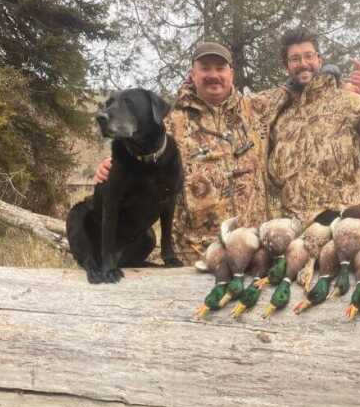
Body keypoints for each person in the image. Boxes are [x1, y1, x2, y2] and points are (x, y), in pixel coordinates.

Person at [95, 41, 270, 264]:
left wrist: (325, 74)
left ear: (231, 73)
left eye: (220, 67)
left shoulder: (256, 110)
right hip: (195, 254)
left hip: (253, 247)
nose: (213, 74)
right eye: (205, 68)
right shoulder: (166, 118)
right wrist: (107, 168)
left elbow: (298, 94)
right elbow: (133, 150)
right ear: (193, 74)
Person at [264, 27, 360, 224]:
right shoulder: (280, 117)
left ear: (319, 60)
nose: (303, 64)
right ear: (287, 66)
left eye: (308, 56)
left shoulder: (349, 102)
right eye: (295, 59)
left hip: (346, 226)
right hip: (295, 231)